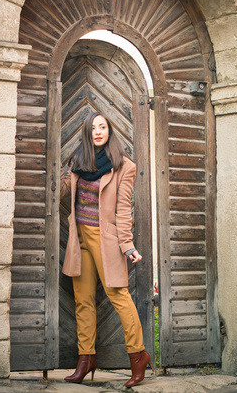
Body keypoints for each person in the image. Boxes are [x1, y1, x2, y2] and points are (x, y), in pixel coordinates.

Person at [60, 111, 153, 388]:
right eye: (93, 128)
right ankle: (86, 359)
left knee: (118, 295)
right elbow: (63, 192)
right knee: (82, 300)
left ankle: (138, 356)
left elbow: (124, 209)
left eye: (103, 127)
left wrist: (127, 245)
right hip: (80, 240)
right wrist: (61, 173)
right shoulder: (78, 160)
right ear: (87, 133)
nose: (98, 132)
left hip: (107, 239)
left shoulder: (124, 166)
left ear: (109, 131)